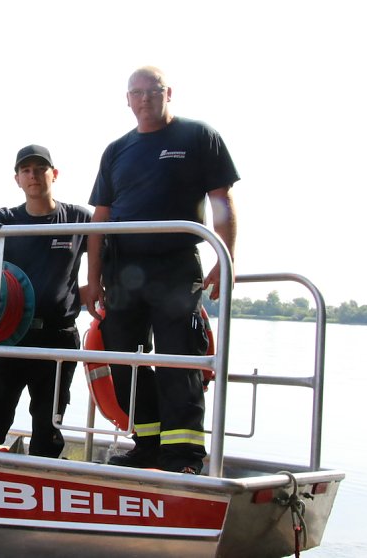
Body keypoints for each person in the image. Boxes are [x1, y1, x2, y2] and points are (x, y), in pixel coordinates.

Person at [86, 66, 240, 474]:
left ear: (167, 92)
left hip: (174, 267)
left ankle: (184, 457)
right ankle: (147, 444)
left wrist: (226, 260)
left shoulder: (198, 137)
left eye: (151, 91)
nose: (143, 99)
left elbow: (221, 202)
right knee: (124, 360)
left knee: (180, 360)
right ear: (127, 100)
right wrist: (92, 278)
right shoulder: (116, 150)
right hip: (123, 272)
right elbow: (99, 218)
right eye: (135, 93)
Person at [0, 145, 92, 458]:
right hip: (10, 334)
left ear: (55, 174)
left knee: (47, 422)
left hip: (58, 337)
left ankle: (41, 480)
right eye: (26, 170)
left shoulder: (79, 218)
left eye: (41, 168)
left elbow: (110, 254)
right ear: (17, 179)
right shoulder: (6, 217)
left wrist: (97, 289)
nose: (34, 175)